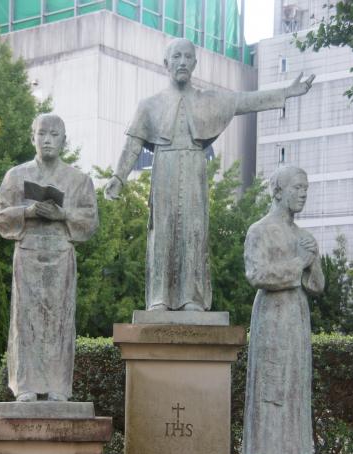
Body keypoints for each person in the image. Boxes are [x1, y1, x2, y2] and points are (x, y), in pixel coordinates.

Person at [105, 38, 315, 312]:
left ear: (195, 63)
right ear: (166, 63)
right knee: (163, 232)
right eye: (176, 56)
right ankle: (160, 297)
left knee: (194, 232)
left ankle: (192, 297)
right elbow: (133, 143)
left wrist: (285, 92)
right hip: (164, 170)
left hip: (195, 170)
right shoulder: (149, 105)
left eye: (187, 57)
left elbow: (244, 101)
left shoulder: (210, 100)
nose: (182, 62)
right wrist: (118, 177)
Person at [0, 114, 98, 402]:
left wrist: (63, 215)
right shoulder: (16, 175)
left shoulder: (79, 180)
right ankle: (25, 385)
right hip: (28, 254)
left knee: (59, 322)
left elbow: (90, 221)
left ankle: (58, 387)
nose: (48, 140)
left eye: (54, 134)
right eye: (42, 134)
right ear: (33, 138)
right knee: (25, 321)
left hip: (61, 254)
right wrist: (27, 211)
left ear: (64, 140)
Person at [242, 165, 325, 454]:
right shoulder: (260, 230)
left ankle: (296, 451)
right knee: (272, 381)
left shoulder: (304, 236)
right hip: (272, 315)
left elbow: (317, 286)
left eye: (306, 188)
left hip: (297, 314)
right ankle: (268, 451)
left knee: (296, 381)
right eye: (297, 188)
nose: (303, 194)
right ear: (278, 191)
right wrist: (298, 262)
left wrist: (313, 262)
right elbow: (257, 274)